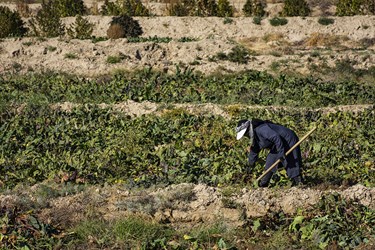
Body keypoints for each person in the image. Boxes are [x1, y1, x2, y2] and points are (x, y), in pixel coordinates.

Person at [236, 119, 303, 187]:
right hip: (278, 144)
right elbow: (254, 150)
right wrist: (250, 165)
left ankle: (299, 183)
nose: (246, 136)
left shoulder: (261, 129)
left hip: (288, 139)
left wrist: (281, 153)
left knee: (290, 161)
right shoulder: (256, 136)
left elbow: (276, 138)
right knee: (270, 161)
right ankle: (263, 184)